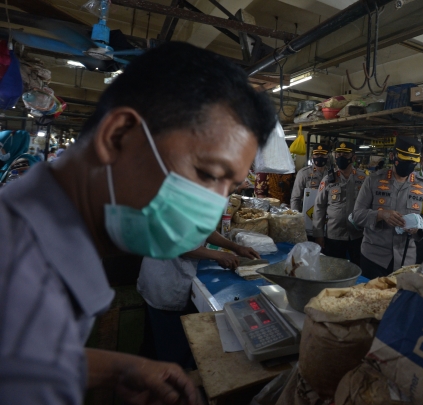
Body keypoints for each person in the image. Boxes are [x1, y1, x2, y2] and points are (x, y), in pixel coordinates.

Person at [0, 42, 277, 405]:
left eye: (229, 186)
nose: (212, 205)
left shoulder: (41, 249)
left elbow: (23, 361)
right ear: (118, 136)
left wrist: (115, 369)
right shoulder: (18, 280)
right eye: (208, 174)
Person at [137, 231, 260, 370]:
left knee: (157, 341)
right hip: (165, 279)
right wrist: (219, 255)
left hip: (166, 275)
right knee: (171, 347)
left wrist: (236, 247)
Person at [351, 137, 423, 279]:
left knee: (399, 299)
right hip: (374, 258)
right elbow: (357, 215)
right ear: (392, 156)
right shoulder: (373, 180)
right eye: (404, 160)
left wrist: (419, 227)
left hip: (406, 259)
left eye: (412, 162)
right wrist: (381, 215)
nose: (408, 165)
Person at [312, 141, 367, 267]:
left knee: (358, 268)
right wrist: (318, 235)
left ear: (353, 157)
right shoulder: (328, 179)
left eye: (345, 154)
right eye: (338, 154)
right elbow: (319, 207)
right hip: (334, 235)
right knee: (333, 269)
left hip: (357, 234)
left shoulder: (363, 179)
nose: (340, 157)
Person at [290, 143, 329, 213]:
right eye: (317, 155)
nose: (320, 157)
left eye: (323, 155)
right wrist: (295, 216)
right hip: (308, 212)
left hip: (327, 213)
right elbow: (296, 198)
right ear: (312, 156)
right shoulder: (303, 173)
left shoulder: (331, 174)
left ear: (327, 156)